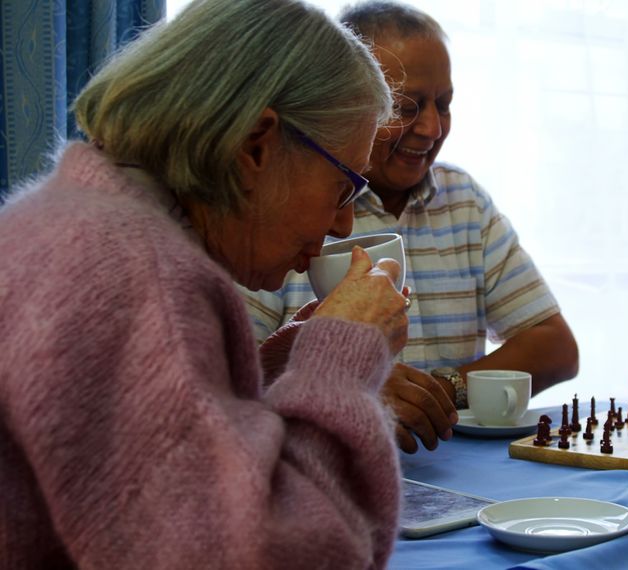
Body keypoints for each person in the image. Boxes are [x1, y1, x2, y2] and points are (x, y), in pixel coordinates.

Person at [0, 0, 409, 567]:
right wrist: (341, 357)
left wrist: (281, 365)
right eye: (343, 185)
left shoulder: (75, 223)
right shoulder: (135, 274)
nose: (344, 222)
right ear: (256, 146)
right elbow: (266, 554)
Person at [246, 0, 579, 454]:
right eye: (406, 106)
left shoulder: (463, 200)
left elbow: (555, 348)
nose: (431, 128)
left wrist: (436, 392)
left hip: (450, 473)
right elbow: (229, 383)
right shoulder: (292, 203)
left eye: (444, 105)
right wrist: (349, 383)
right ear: (351, 106)